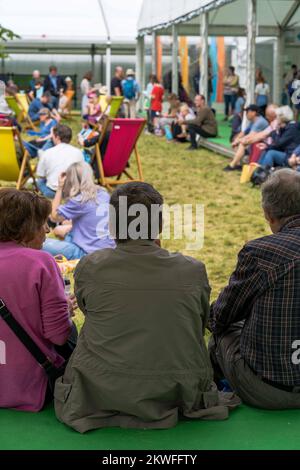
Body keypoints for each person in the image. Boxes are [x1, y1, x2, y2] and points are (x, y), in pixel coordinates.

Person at [54, 182, 240, 433]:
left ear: (112, 224)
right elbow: (199, 322)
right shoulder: (192, 270)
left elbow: (91, 311)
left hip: (102, 386)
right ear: (159, 225)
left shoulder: (91, 266)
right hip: (176, 385)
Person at [209, 169, 300, 410]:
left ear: (268, 214)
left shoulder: (262, 253)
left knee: (221, 331)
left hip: (270, 389)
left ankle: (211, 392)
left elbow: (222, 316)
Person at [0, 189, 76, 412]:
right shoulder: (41, 262)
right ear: (24, 227)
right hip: (29, 388)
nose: (46, 230)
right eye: (42, 223)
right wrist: (64, 312)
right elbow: (59, 336)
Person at [43, 162, 115, 260]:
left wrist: (60, 187)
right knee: (60, 229)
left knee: (42, 243)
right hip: (109, 250)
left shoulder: (80, 200)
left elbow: (54, 216)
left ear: (71, 180)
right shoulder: (103, 194)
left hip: (87, 254)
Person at [36, 125, 84, 199]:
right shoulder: (78, 152)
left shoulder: (47, 152)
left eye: (53, 136)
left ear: (57, 137)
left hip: (52, 192)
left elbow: (41, 175)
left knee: (40, 181)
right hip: (73, 192)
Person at [224, 104, 269, 171]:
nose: (246, 113)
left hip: (263, 144)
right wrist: (236, 139)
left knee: (242, 143)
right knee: (237, 140)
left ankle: (232, 165)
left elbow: (250, 136)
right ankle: (238, 164)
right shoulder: (253, 121)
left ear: (254, 113)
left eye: (247, 111)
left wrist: (238, 141)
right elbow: (244, 132)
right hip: (255, 141)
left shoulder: (260, 121)